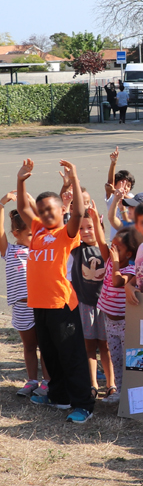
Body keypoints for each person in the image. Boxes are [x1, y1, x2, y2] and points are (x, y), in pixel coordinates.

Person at [17, 158, 95, 423]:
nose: (45, 214)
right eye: (42, 210)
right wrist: (20, 180)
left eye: (50, 209)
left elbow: (79, 214)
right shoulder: (38, 230)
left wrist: (75, 177)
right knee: (50, 355)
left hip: (61, 304)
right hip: (39, 304)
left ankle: (83, 404)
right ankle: (60, 397)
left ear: (62, 210)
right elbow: (22, 207)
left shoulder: (66, 233)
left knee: (71, 356)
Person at [1, 192, 50, 397]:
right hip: (22, 308)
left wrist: (30, 202)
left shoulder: (41, 250)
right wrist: (2, 203)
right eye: (30, 235)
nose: (34, 238)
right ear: (16, 233)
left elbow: (45, 225)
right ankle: (31, 380)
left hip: (42, 306)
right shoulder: (9, 251)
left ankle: (47, 382)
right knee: (29, 347)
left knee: (46, 347)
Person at [69, 206, 115, 401]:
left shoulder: (107, 250)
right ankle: (93, 384)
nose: (86, 232)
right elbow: (68, 230)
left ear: (100, 227)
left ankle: (111, 384)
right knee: (89, 347)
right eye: (81, 228)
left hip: (105, 306)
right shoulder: (77, 250)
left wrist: (97, 220)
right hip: (85, 306)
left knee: (106, 347)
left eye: (90, 227)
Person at [96, 227, 141, 403]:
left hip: (124, 324)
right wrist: (95, 220)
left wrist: (114, 261)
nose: (112, 250)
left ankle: (129, 394)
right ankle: (120, 392)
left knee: (128, 359)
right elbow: (101, 242)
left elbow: (116, 281)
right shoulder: (110, 261)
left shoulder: (130, 270)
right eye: (112, 246)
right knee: (116, 360)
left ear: (129, 253)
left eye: (117, 248)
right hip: (110, 321)